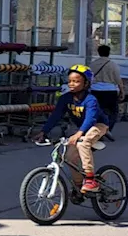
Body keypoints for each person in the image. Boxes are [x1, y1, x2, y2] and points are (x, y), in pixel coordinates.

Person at [32, 65, 112, 194]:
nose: (72, 84)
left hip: (98, 125)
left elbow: (91, 119)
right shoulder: (65, 98)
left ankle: (90, 179)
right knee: (69, 157)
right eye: (70, 81)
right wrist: (44, 131)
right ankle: (79, 185)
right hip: (81, 128)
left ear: (86, 83)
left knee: (83, 143)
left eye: (76, 81)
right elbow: (56, 115)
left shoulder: (90, 99)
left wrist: (79, 134)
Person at [88, 43, 124, 141]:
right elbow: (118, 80)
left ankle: (98, 130)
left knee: (98, 111)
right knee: (113, 112)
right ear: (109, 53)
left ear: (99, 53)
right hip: (110, 90)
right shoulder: (113, 65)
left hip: (95, 90)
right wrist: (122, 91)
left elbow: (88, 77)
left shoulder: (92, 64)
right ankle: (107, 129)